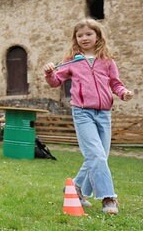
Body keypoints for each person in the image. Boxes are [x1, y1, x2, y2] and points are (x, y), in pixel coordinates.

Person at [43, 19, 132, 215]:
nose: (84, 38)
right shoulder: (73, 61)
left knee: (99, 155)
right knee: (96, 155)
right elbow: (56, 81)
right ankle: (109, 198)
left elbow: (116, 83)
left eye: (88, 34)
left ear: (98, 36)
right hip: (83, 112)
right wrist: (49, 73)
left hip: (104, 113)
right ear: (75, 38)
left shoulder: (107, 60)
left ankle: (75, 188)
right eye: (80, 35)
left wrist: (123, 92)